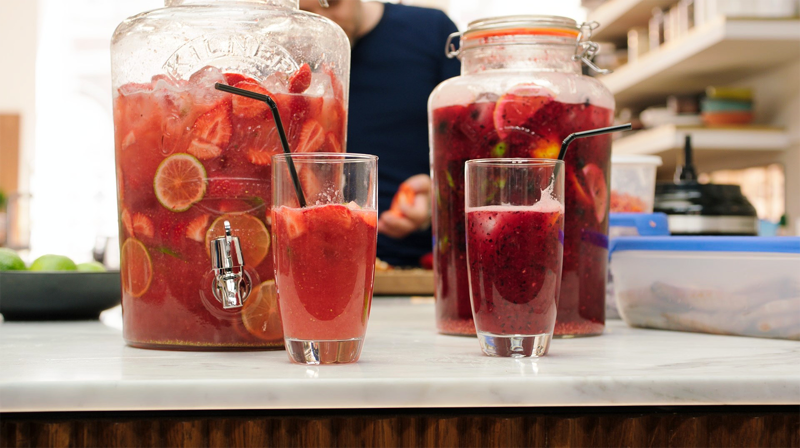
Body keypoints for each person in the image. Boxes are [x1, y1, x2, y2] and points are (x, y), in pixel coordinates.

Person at [299, 0, 460, 267]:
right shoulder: (286, 52)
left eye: (331, 3)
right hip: (316, 262)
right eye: (306, 13)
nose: (322, 22)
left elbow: (470, 150)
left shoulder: (431, 30)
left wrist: (437, 196)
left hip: (416, 264)